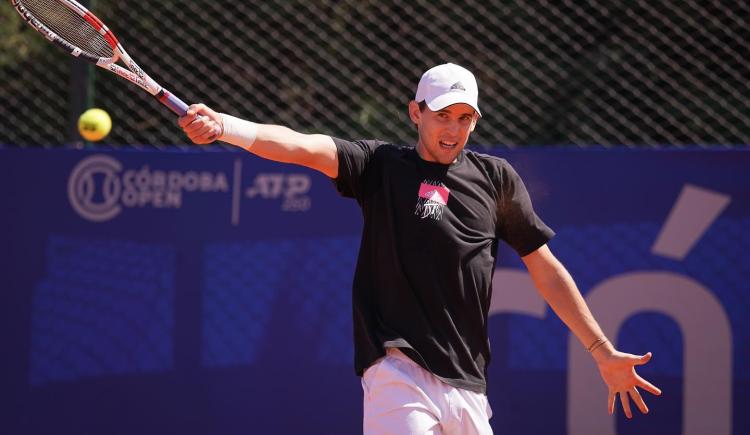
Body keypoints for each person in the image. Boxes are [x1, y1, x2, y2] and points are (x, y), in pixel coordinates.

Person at [179, 63, 661, 434]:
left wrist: (600, 350)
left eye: (465, 117)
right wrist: (225, 125)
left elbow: (545, 268)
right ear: (416, 112)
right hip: (398, 371)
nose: (453, 129)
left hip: (469, 382)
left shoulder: (497, 180)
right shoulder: (380, 167)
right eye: (442, 115)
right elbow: (300, 146)